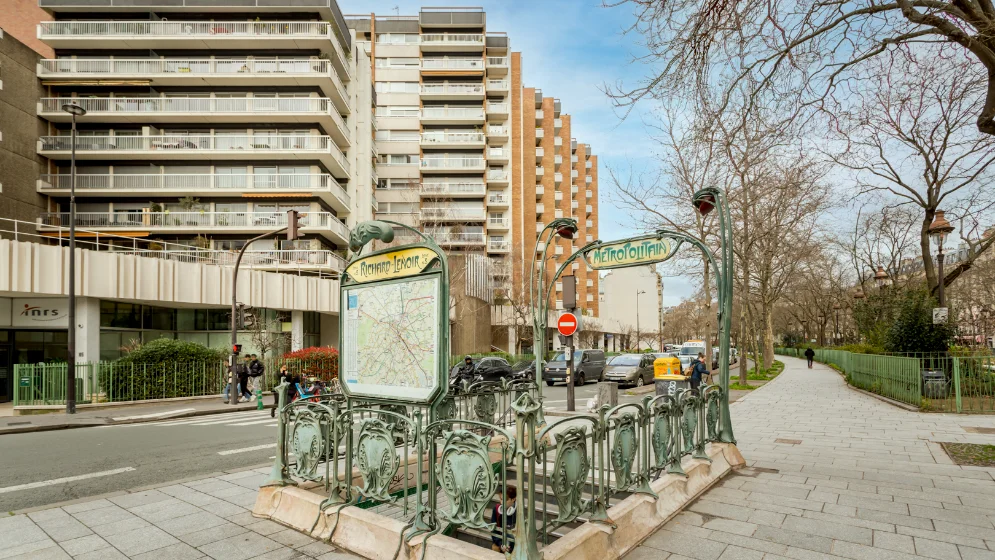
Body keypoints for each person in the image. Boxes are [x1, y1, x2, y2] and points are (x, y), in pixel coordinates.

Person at [490, 486, 517, 553]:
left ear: (513, 499)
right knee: (495, 548)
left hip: (515, 546)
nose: (502, 503)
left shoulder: (519, 512)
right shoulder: (496, 510)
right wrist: (500, 544)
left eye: (506, 500)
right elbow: (493, 531)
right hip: (501, 542)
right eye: (501, 499)